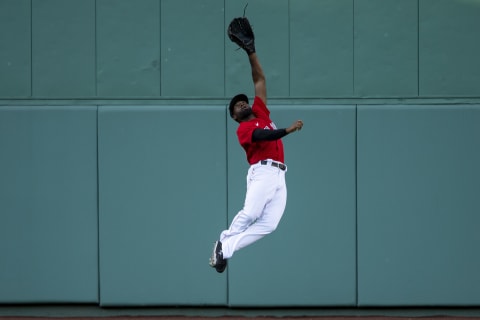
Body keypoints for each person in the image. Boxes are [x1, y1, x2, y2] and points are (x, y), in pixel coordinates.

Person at [209, 38, 304, 273]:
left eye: (243, 101)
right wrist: (286, 130)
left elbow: (259, 80)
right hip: (262, 171)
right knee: (251, 212)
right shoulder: (243, 129)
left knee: (269, 224)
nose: (242, 104)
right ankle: (224, 240)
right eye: (237, 106)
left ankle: (227, 248)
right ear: (234, 116)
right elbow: (263, 136)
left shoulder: (260, 111)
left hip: (279, 175)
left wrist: (251, 52)